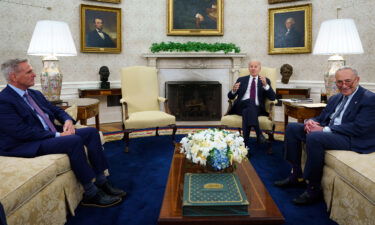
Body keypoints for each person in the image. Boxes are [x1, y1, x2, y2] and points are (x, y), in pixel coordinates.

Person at [0, 58, 126, 207]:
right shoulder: (4, 100)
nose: (34, 74)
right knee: (72, 141)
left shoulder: (34, 94)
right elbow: (22, 132)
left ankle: (102, 181)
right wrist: (58, 135)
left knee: (91, 132)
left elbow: (57, 110)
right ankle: (91, 193)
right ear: (14, 77)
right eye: (29, 71)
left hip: (46, 134)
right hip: (26, 143)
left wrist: (67, 121)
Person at [274, 66, 375, 205]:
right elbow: (322, 117)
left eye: (348, 81)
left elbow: (359, 128)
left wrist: (324, 129)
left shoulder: (369, 98)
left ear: (357, 80)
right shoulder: (336, 97)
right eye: (339, 82)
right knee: (292, 128)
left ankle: (313, 188)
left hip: (353, 138)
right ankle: (296, 174)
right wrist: (310, 122)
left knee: (315, 137)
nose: (343, 86)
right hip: (333, 131)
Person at [227, 61, 276, 149]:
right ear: (248, 68)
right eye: (251, 66)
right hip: (240, 107)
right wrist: (233, 91)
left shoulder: (265, 80)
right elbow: (230, 96)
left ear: (259, 69)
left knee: (248, 110)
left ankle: (245, 146)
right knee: (249, 101)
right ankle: (259, 134)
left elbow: (273, 97)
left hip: (257, 109)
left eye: (255, 66)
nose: (253, 68)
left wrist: (266, 85)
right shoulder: (241, 80)